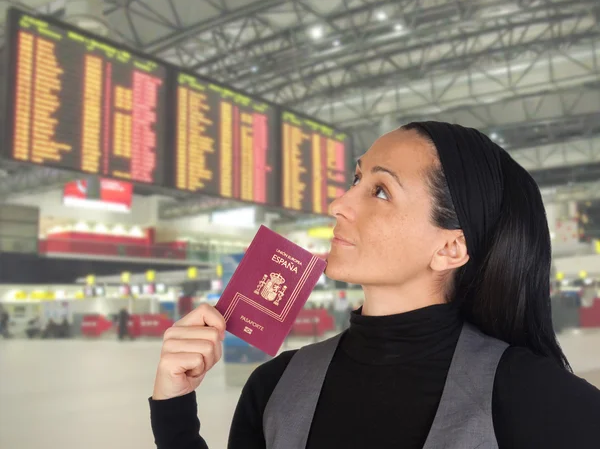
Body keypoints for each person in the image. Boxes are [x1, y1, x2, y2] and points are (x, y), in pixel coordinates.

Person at [148, 121, 600, 448]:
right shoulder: (274, 387)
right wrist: (175, 415)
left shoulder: (529, 396)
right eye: (357, 179)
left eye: (380, 190)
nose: (338, 202)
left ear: (450, 248)